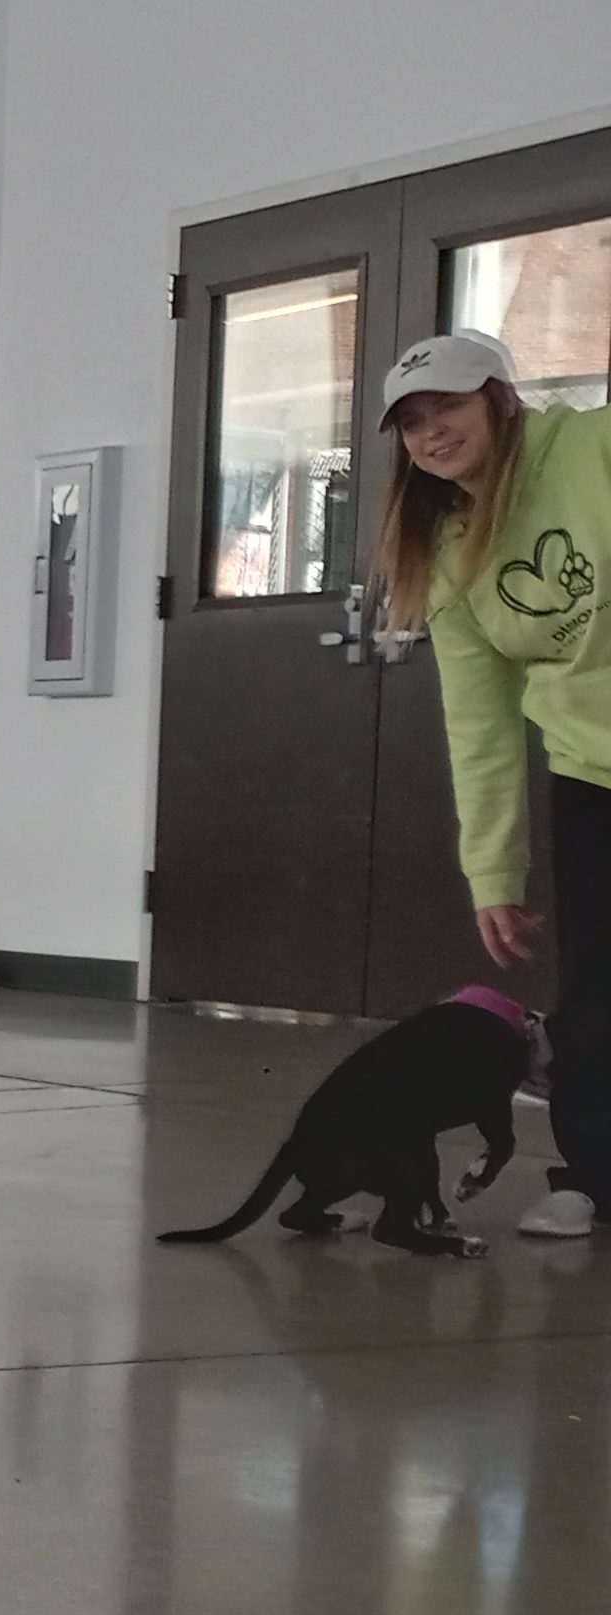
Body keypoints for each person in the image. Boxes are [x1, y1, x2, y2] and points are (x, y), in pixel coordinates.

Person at [380, 329, 610, 1240]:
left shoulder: (591, 449)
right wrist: (493, 875)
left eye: (450, 408)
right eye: (412, 423)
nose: (433, 433)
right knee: (595, 990)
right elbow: (477, 725)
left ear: (501, 400)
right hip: (594, 771)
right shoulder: (447, 554)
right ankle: (592, 1176)